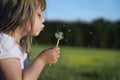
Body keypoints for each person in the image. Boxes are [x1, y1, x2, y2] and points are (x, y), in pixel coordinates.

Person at [0, 0, 60, 80]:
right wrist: (42, 59)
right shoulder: (6, 44)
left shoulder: (11, 44)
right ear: (20, 14)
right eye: (39, 14)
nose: (43, 19)